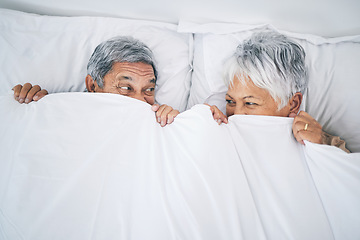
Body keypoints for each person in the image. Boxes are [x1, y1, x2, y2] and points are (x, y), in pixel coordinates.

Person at [208, 30, 349, 152]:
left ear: (293, 103)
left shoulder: (321, 142)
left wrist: (322, 146)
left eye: (250, 103)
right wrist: (201, 125)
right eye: (230, 101)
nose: (236, 114)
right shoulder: (216, 126)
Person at [12, 36, 179, 127]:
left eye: (148, 89)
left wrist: (176, 127)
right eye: (126, 87)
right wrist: (29, 103)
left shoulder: (159, 122)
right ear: (92, 85)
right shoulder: (56, 110)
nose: (139, 101)